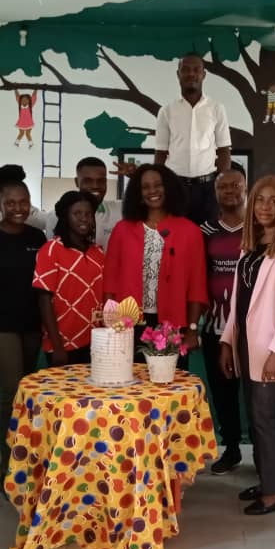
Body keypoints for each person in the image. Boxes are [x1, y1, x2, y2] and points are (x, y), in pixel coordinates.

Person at [219, 176, 275, 516]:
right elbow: (239, 299)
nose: (265, 207)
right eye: (260, 200)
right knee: (255, 417)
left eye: (274, 201)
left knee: (265, 419)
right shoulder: (252, 242)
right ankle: (266, 480)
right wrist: (227, 340)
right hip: (247, 343)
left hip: (272, 348)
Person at [0, 165, 46, 485]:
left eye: (23, 202)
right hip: (0, 327)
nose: (18, 208)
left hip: (31, 326)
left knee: (29, 396)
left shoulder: (37, 237)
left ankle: (29, 462)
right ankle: (9, 471)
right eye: (10, 202)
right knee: (12, 394)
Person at [105, 164, 207, 366]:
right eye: (145, 187)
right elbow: (110, 281)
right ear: (138, 193)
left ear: (169, 188)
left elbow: (197, 285)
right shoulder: (122, 230)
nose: (152, 191)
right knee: (130, 381)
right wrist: (109, 324)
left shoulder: (190, 231)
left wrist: (192, 330)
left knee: (168, 382)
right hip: (127, 325)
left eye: (158, 185)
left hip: (172, 326)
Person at [201, 165, 247, 475]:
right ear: (215, 193)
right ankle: (231, 448)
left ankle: (265, 453)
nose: (229, 191)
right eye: (223, 187)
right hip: (214, 326)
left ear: (246, 189)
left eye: (235, 185)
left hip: (252, 327)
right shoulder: (204, 231)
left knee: (257, 396)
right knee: (222, 392)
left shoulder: (260, 228)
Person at [154, 53, 232, 225]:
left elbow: (224, 151)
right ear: (178, 74)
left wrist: (221, 186)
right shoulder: (166, 111)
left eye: (196, 70)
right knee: (175, 235)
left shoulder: (217, 109)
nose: (191, 74)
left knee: (207, 236)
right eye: (186, 69)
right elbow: (160, 153)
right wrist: (158, 186)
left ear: (204, 75)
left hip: (208, 189)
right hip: (175, 187)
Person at [33, 190, 107, 365]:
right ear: (66, 217)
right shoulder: (51, 250)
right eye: (77, 213)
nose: (84, 218)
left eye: (88, 214)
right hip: (62, 345)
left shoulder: (98, 252)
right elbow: (44, 300)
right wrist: (58, 346)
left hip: (95, 343)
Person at [41, 157, 124, 249]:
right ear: (77, 182)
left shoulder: (120, 210)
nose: (95, 186)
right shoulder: (57, 216)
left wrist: (134, 176)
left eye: (101, 181)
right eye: (88, 181)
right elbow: (53, 250)